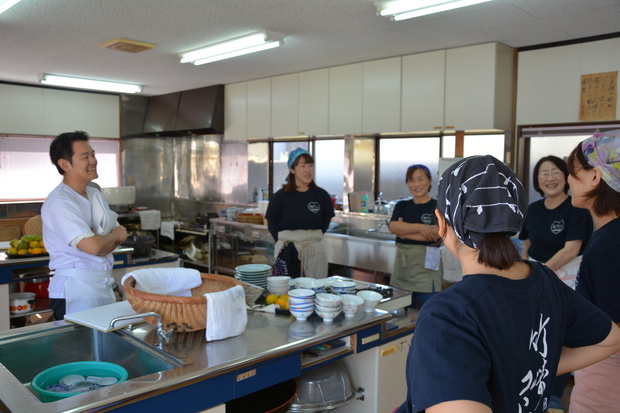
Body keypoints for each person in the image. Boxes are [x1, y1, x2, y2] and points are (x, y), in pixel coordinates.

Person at [395, 155, 620, 413]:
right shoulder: (545, 280)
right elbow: (611, 340)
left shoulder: (448, 315)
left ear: (442, 223)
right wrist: (534, 369)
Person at [519, 156, 593, 411]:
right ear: (537, 181)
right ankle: (533, 387)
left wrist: (539, 273)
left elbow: (571, 250)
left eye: (555, 172)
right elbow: (526, 242)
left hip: (567, 279)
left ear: (565, 177)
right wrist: (525, 265)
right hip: (538, 276)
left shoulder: (577, 208)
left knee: (560, 335)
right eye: (543, 174)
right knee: (537, 334)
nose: (549, 178)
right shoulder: (533, 208)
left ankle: (553, 394)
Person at [42, 131, 128, 319]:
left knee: (103, 345)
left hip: (99, 285)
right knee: (79, 348)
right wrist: (112, 237)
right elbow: (98, 245)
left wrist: (105, 241)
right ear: (65, 164)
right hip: (75, 290)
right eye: (85, 157)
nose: (93, 161)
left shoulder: (93, 194)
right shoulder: (60, 201)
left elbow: (105, 243)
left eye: (93, 155)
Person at [566, 131, 620, 412]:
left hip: (608, 382)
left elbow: (615, 331)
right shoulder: (608, 236)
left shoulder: (608, 245)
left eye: (572, 172)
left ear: (595, 177)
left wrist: (554, 361)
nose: (568, 181)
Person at [265, 148, 335, 278]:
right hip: (287, 250)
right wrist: (287, 244)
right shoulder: (280, 197)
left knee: (316, 289)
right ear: (292, 169)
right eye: (303, 166)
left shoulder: (321, 195)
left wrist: (309, 238)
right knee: (287, 291)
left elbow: (325, 223)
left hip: (314, 250)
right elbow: (272, 224)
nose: (308, 170)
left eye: (310, 165)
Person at [388, 164, 441, 309]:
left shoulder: (437, 206)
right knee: (402, 311)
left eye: (420, 179)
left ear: (429, 181)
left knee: (428, 309)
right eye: (411, 180)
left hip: (428, 265)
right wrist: (421, 228)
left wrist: (404, 233)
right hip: (403, 266)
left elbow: (436, 236)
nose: (416, 184)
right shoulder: (402, 206)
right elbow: (393, 227)